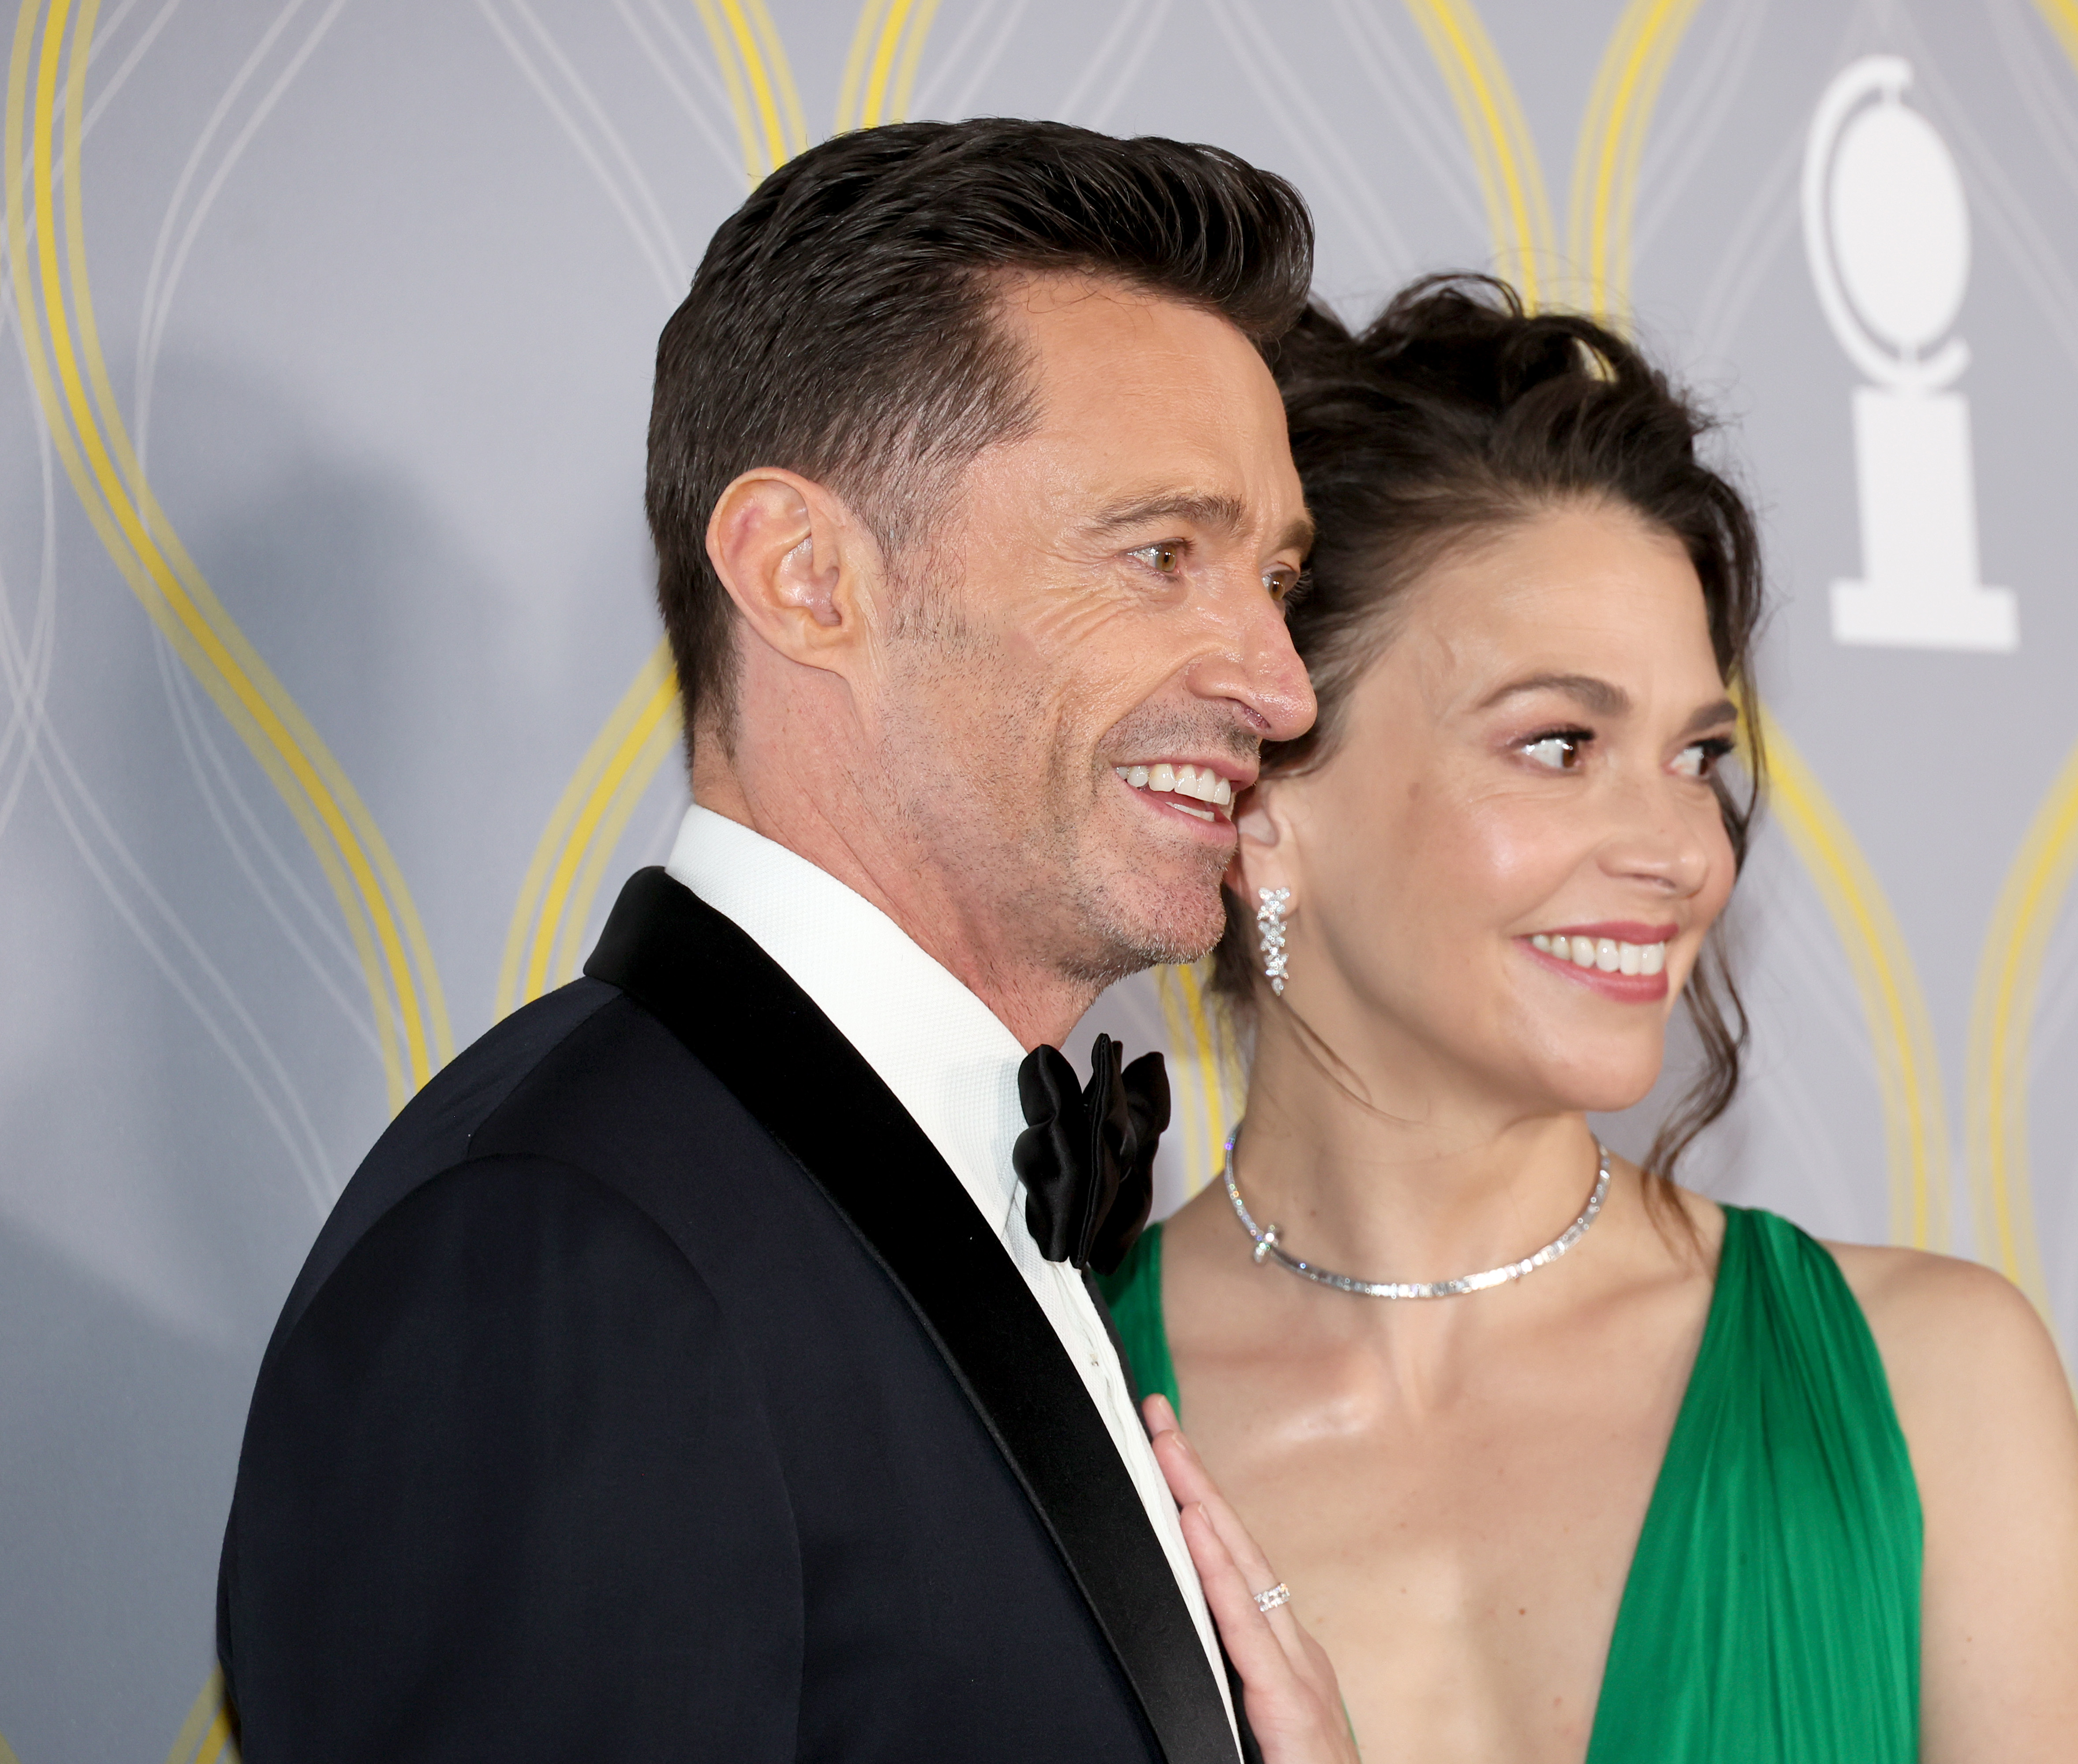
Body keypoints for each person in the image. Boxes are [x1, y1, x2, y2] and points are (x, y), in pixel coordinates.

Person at [217, 120, 1353, 1764]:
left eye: (1276, 578)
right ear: (807, 578)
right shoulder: (555, 1261)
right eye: (1161, 555)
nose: (1281, 682)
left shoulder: (877, 1171)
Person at [1110, 278, 2078, 1764]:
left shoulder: (1934, 1385)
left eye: (1694, 755)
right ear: (1266, 803)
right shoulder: (1050, 1425)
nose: (1684, 850)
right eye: (1560, 743)